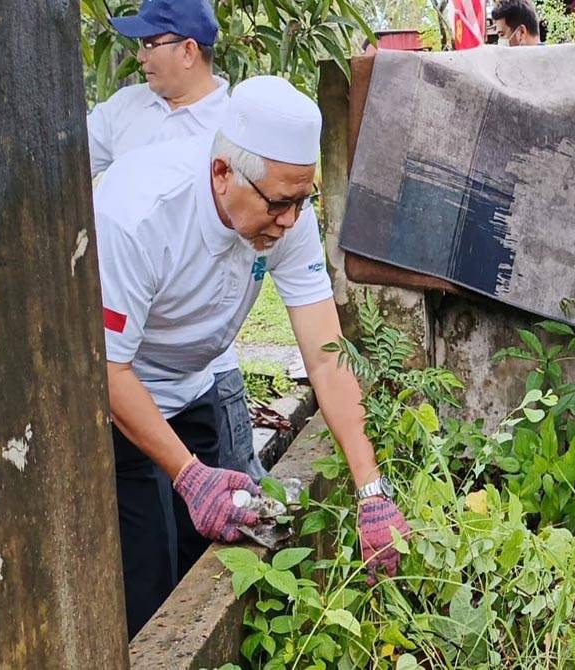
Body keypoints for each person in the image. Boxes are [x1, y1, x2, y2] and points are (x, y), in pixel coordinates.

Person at [94, 76, 409, 637]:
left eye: (302, 201)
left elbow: (327, 356)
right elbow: (108, 368)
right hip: (125, 400)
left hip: (197, 385)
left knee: (210, 561)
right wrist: (189, 476)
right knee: (148, 576)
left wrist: (370, 490)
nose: (290, 221)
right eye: (280, 204)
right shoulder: (135, 213)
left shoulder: (284, 211)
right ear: (222, 173)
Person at [86, 0, 267, 482]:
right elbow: (64, 174)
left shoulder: (236, 128)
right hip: (126, 357)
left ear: (189, 51)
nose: (140, 56)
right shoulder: (125, 111)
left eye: (150, 44)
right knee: (149, 522)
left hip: (205, 362)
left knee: (230, 492)